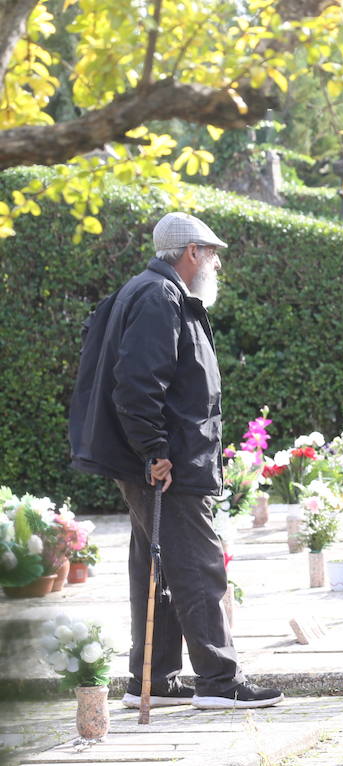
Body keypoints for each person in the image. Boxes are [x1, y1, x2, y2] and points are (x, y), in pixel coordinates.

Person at [68, 212, 283, 710]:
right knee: (198, 564)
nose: (215, 263)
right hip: (168, 466)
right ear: (191, 253)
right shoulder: (159, 297)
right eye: (211, 254)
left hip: (162, 461)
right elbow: (138, 386)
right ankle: (219, 682)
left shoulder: (152, 291)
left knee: (157, 568)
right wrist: (155, 452)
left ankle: (152, 679)